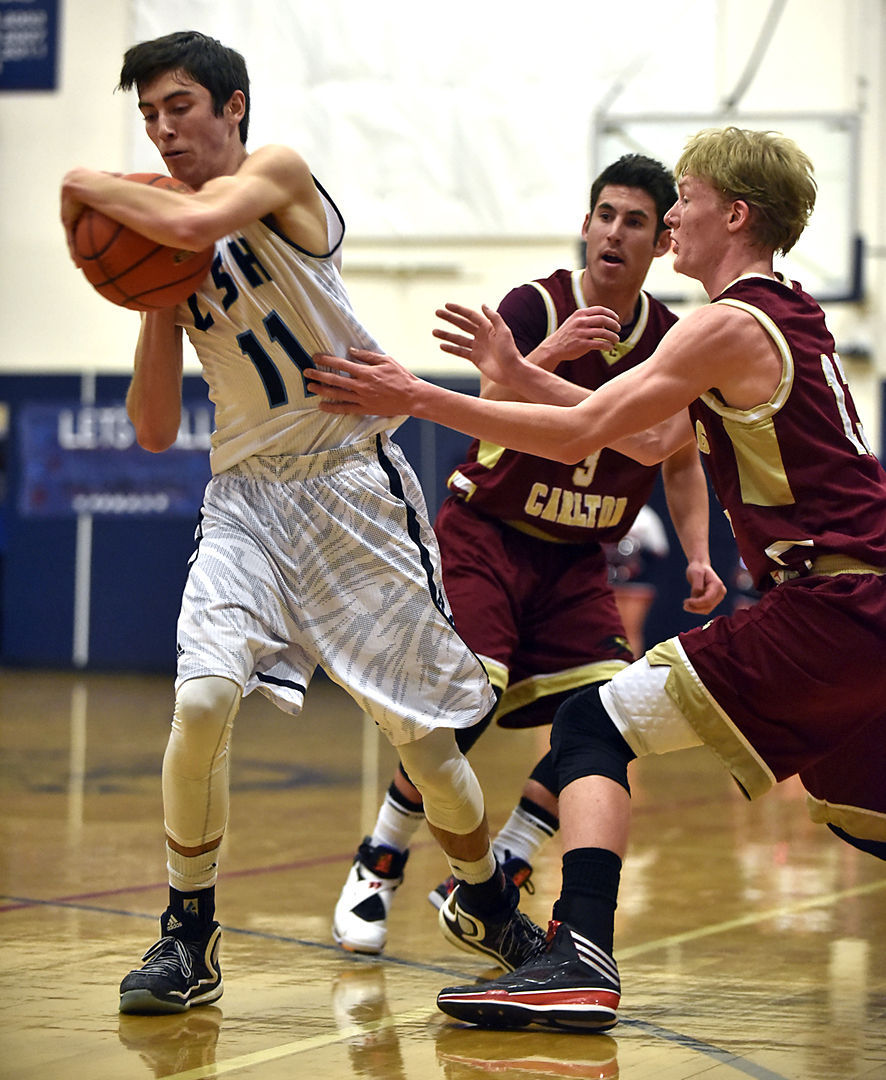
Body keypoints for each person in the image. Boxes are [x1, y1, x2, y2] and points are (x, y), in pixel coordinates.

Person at [306, 126, 886, 1031]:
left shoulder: (723, 322)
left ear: (731, 214)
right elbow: (642, 433)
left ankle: (576, 954)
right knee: (864, 816)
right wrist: (516, 373)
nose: (670, 221)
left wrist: (415, 396)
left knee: (588, 722)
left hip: (830, 605)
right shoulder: (786, 315)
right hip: (862, 604)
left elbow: (588, 437)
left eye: (681, 201)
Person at [59, 29, 550, 1016]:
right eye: (149, 115)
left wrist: (82, 180)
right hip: (244, 501)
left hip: (349, 493)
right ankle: (188, 939)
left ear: (233, 107)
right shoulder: (171, 237)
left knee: (426, 750)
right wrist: (154, 294)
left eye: (180, 108)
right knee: (199, 704)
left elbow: (218, 208)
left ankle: (489, 903)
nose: (163, 131)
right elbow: (155, 430)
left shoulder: (276, 175)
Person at [330, 154, 726, 957]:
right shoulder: (535, 305)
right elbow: (492, 403)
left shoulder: (674, 341)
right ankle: (379, 858)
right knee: (463, 709)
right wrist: (544, 356)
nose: (615, 232)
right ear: (586, 225)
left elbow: (675, 454)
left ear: (659, 242)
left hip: (579, 558)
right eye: (605, 215)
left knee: (605, 719)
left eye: (636, 221)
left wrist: (697, 552)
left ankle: (505, 861)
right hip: (489, 536)